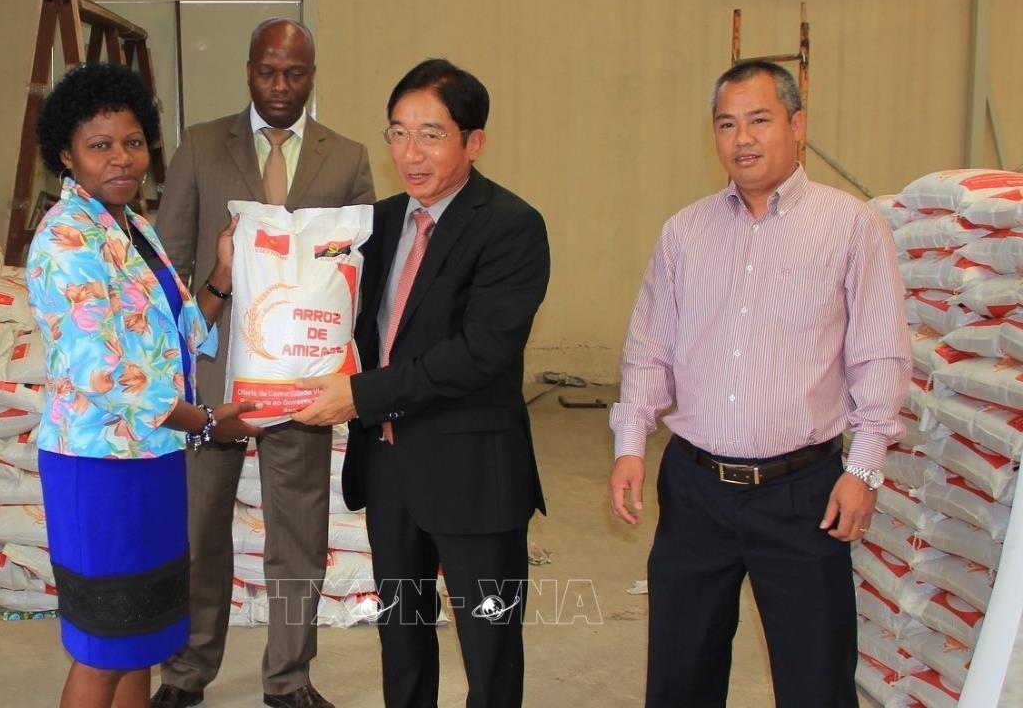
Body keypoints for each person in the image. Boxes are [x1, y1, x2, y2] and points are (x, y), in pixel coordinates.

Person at [607, 59, 911, 708]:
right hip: (695, 491)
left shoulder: (850, 226)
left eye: (759, 120)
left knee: (815, 684)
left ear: (797, 126)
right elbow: (649, 349)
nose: (742, 138)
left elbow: (879, 357)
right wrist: (630, 443)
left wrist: (864, 470)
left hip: (802, 496)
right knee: (680, 681)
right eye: (726, 124)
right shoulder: (684, 233)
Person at [295, 58, 550, 708]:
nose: (410, 153)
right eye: (399, 133)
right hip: (390, 471)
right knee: (403, 644)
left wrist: (360, 395)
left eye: (431, 135)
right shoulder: (375, 225)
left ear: (474, 141)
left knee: (490, 649)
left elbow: (479, 354)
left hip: (474, 478)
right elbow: (330, 313)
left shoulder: (511, 226)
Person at [151, 18, 375, 708]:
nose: (280, 86)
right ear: (249, 70)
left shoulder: (348, 159)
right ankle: (186, 672)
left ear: (313, 75)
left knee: (298, 534)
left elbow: (356, 274)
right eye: (268, 71)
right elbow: (169, 268)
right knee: (198, 530)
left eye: (295, 73)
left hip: (301, 381)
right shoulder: (200, 146)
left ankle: (289, 678)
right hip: (215, 379)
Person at [26, 62, 261, 708]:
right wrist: (206, 422)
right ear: (67, 155)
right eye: (100, 145)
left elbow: (180, 334)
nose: (121, 158)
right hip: (98, 467)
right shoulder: (66, 238)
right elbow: (100, 371)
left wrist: (221, 272)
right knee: (103, 648)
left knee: (141, 641)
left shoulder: (134, 227)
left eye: (132, 142)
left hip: (152, 456)